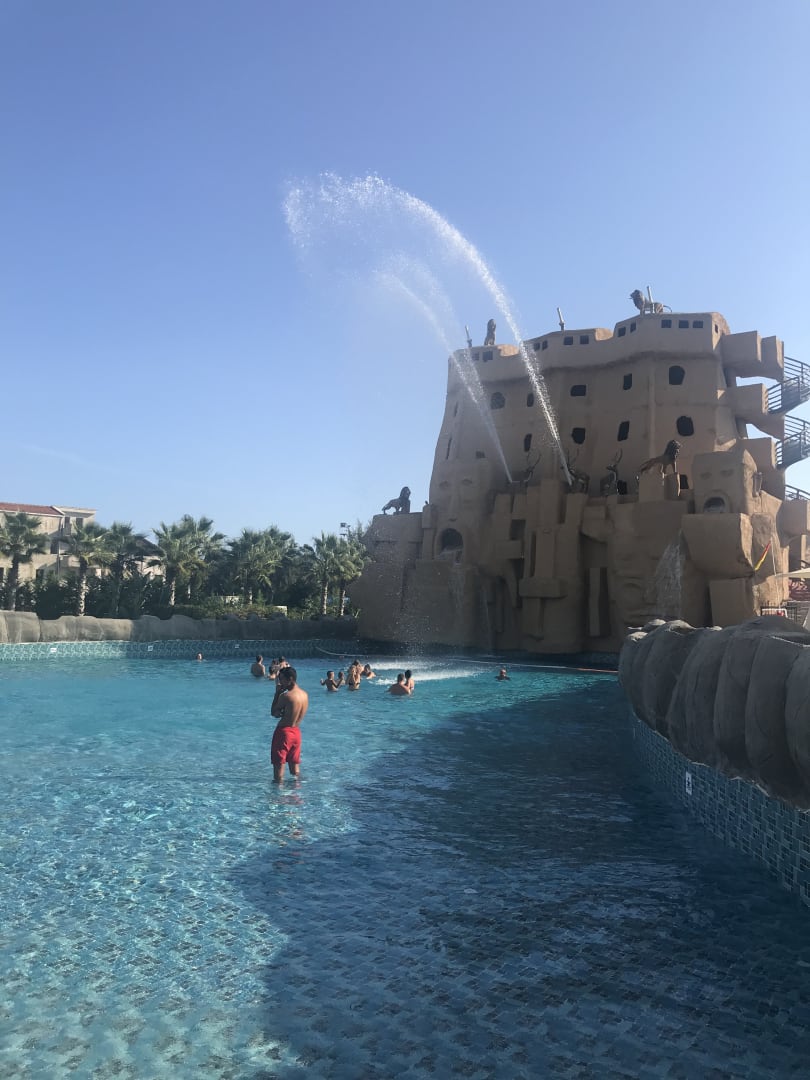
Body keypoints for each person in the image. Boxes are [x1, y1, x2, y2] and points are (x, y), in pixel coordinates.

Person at [270, 666, 309, 782]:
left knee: (278, 773)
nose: (280, 682)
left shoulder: (287, 696)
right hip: (296, 733)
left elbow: (273, 712)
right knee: (295, 771)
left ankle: (278, 793)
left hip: (284, 733)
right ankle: (297, 790)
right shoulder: (304, 695)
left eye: (281, 679)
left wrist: (277, 693)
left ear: (290, 679)